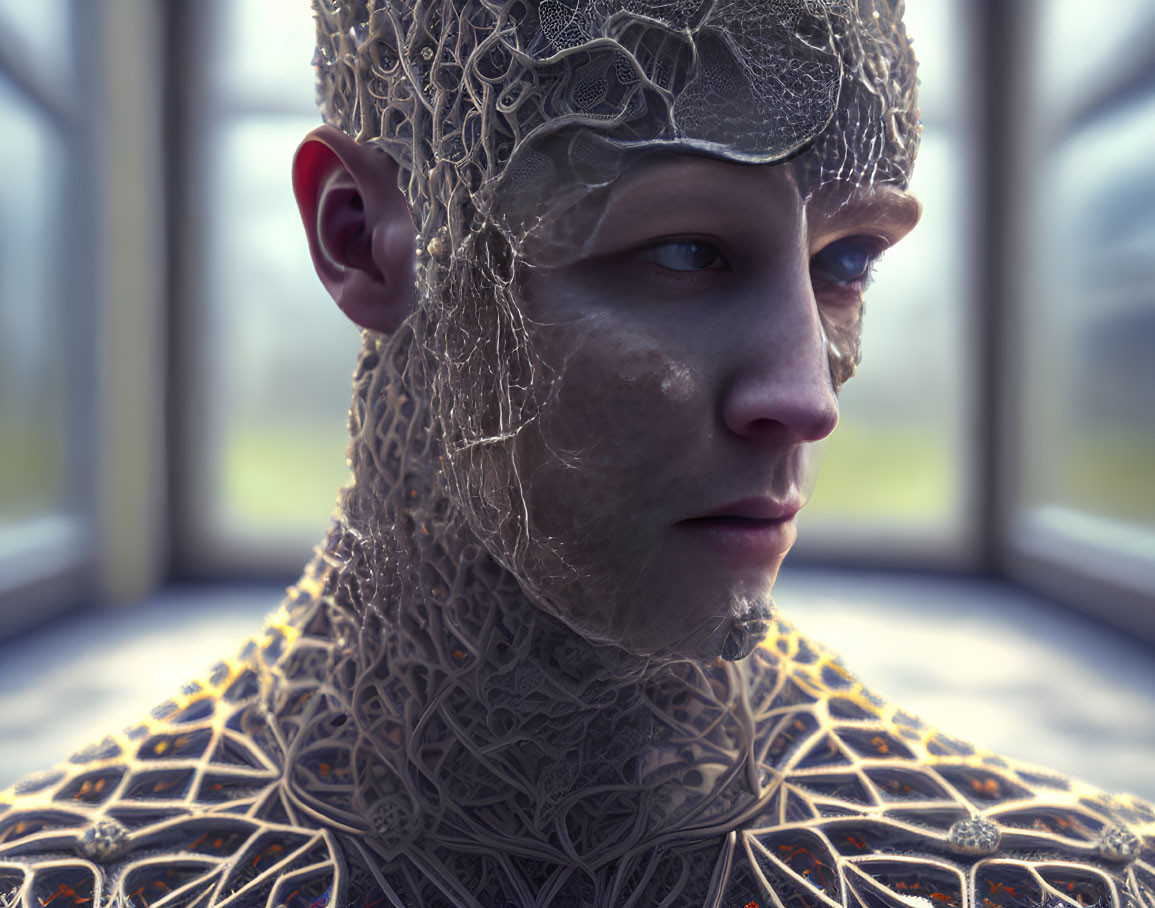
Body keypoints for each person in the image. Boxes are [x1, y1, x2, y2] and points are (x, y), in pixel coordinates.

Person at [0, 0, 1152, 906]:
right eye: (688, 251)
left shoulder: (1073, 874)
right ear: (361, 237)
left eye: (845, 263)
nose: (805, 398)